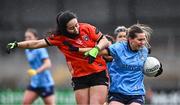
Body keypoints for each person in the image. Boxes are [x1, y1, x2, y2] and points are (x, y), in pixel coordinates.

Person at [6, 11, 109, 105]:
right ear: (64, 29)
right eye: (71, 28)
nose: (76, 29)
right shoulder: (59, 38)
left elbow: (104, 40)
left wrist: (96, 49)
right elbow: (36, 43)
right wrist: (17, 44)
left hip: (98, 73)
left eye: (76, 25)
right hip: (79, 77)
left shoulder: (87, 28)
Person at [105, 24, 163, 105]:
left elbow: (147, 63)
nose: (122, 39)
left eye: (124, 36)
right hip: (116, 92)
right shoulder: (113, 52)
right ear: (115, 39)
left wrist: (157, 68)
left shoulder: (143, 51)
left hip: (136, 93)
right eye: (120, 36)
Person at [21, 28, 55, 105]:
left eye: (30, 37)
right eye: (26, 37)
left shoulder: (40, 49)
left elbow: (48, 63)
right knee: (25, 103)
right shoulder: (27, 50)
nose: (27, 39)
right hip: (35, 83)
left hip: (45, 84)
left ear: (36, 38)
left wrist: (36, 71)